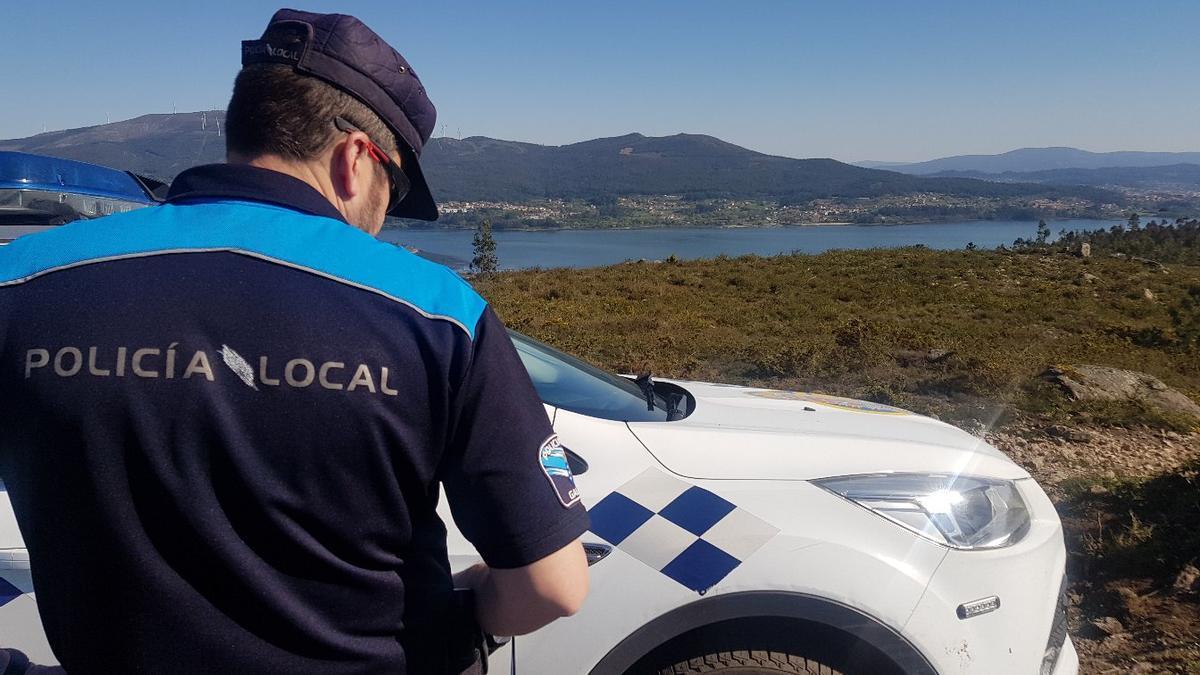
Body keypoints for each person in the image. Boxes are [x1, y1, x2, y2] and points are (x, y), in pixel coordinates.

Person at [0, 9, 589, 674]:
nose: (380, 220)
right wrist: (471, 614)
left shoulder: (23, 283)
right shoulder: (438, 314)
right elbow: (554, 585)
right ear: (355, 160)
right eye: (390, 192)